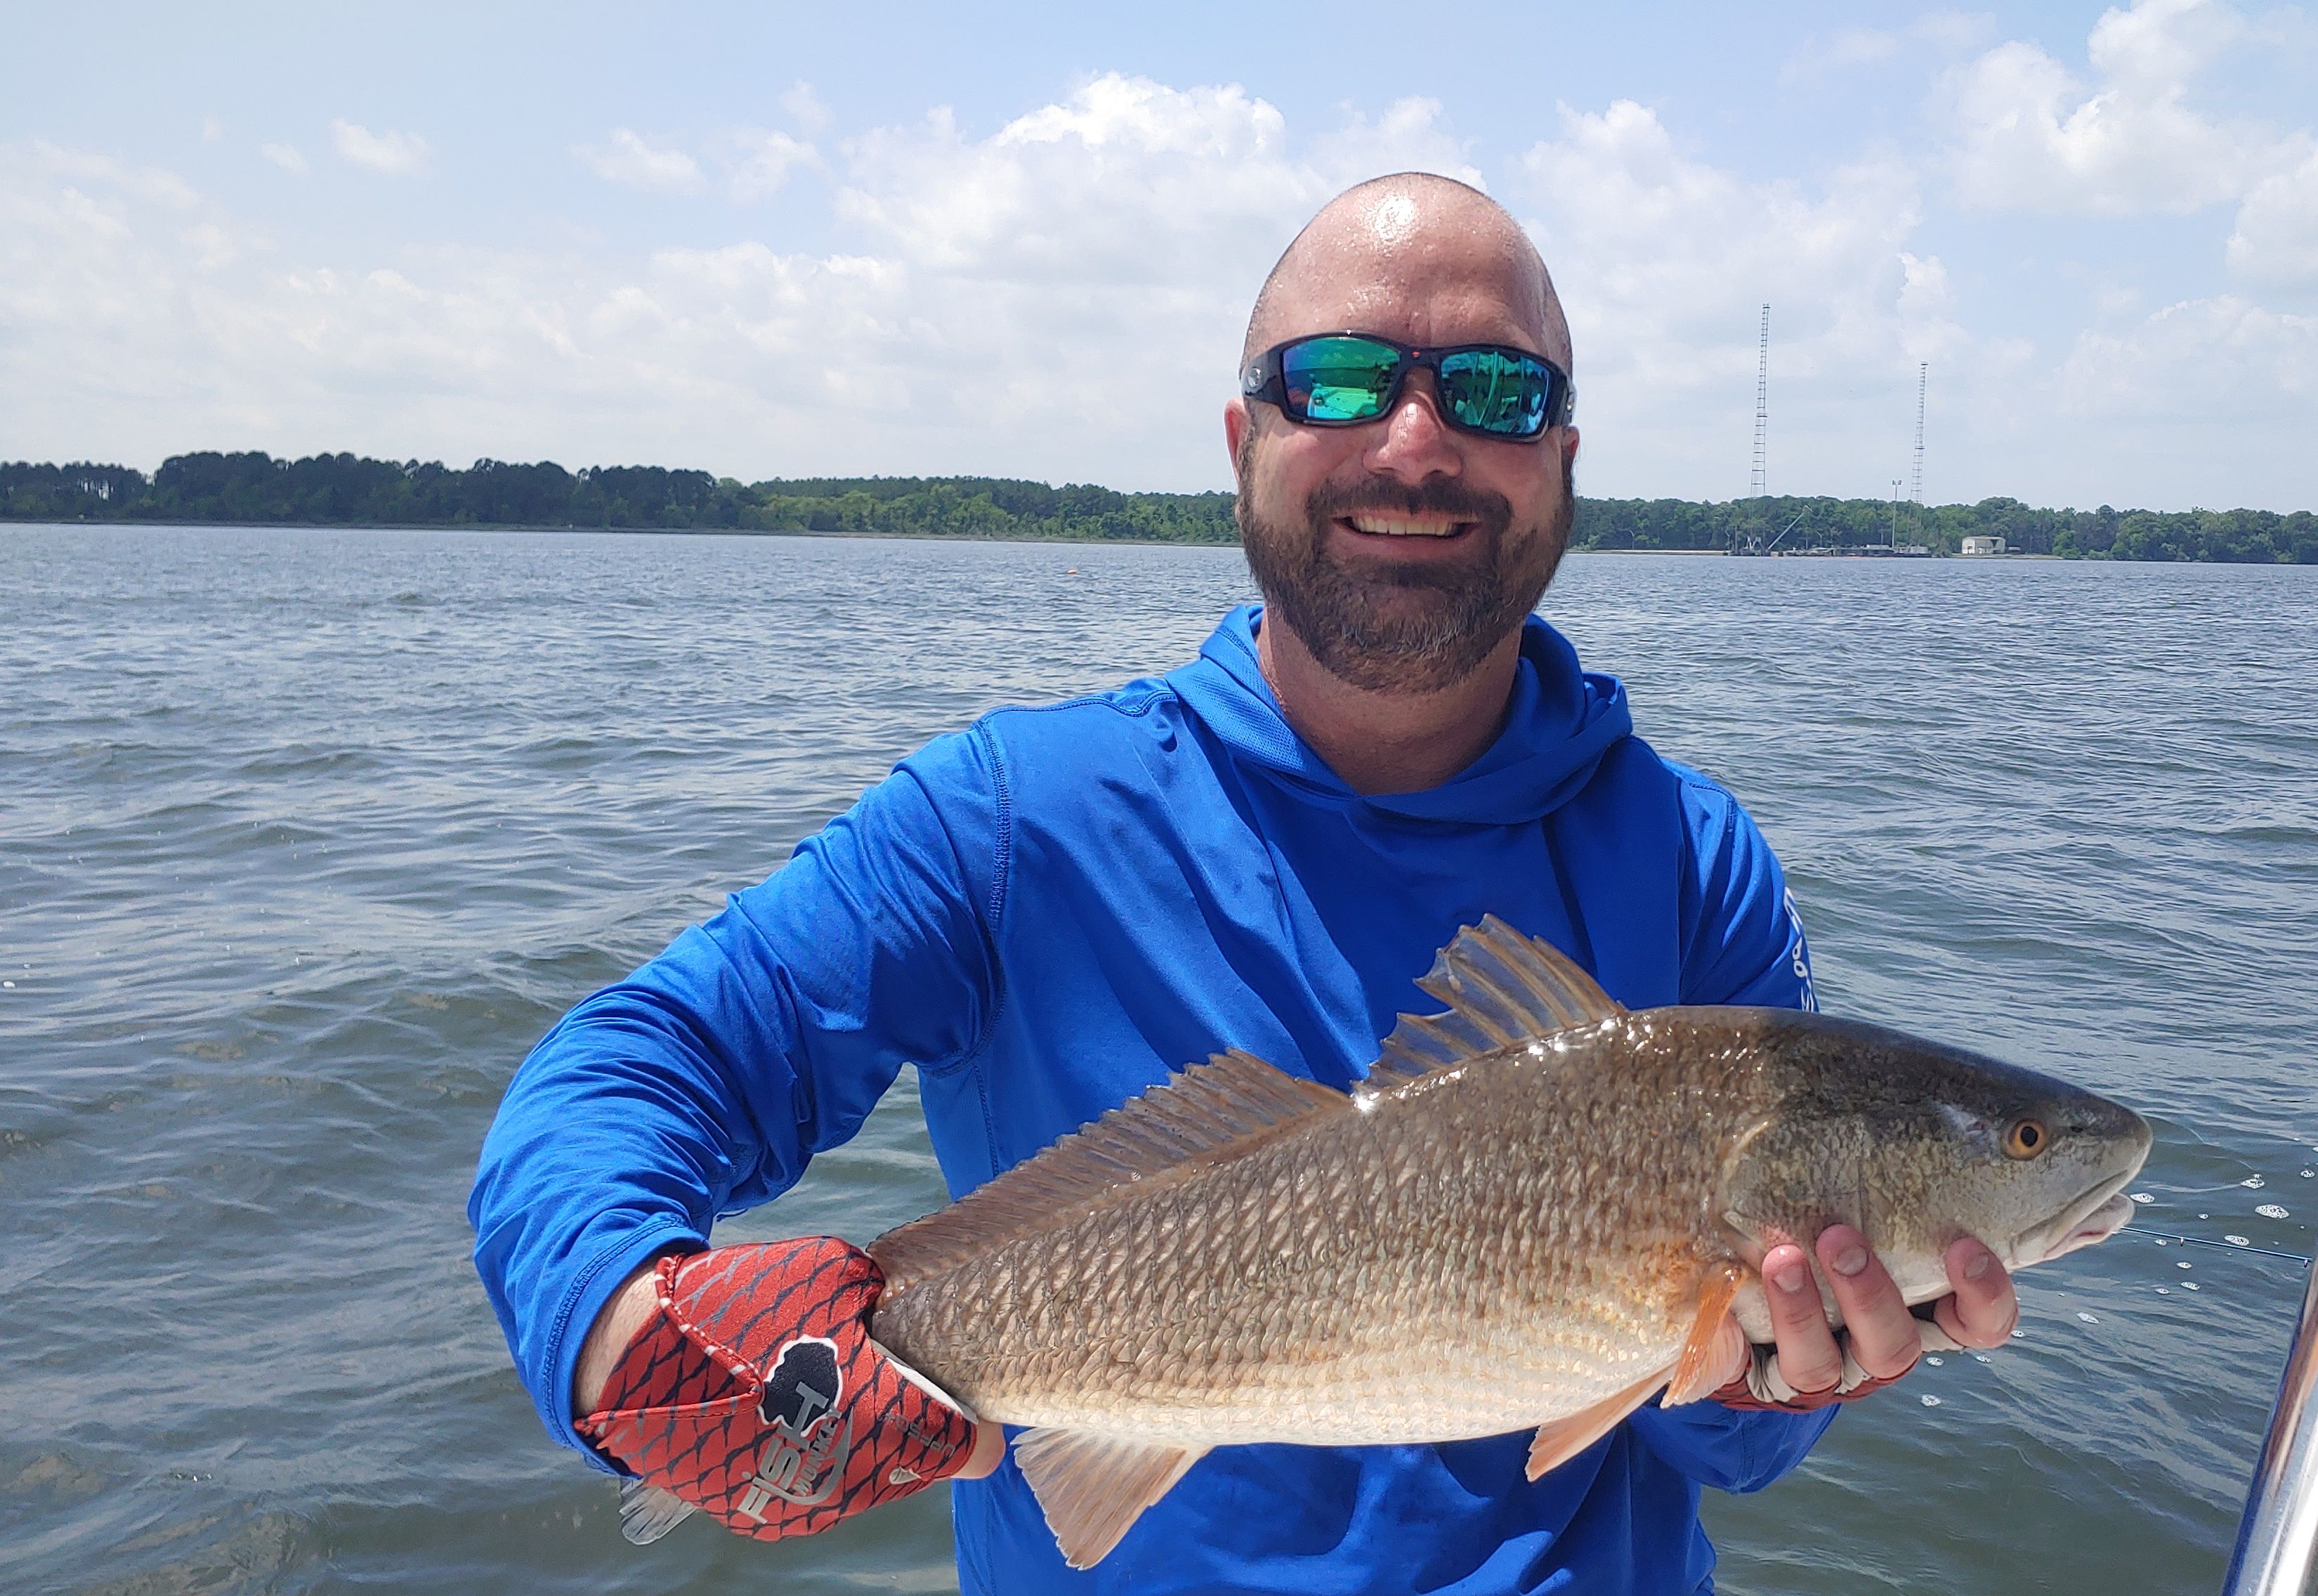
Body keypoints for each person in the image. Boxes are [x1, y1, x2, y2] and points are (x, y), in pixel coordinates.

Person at [469, 171, 2019, 1594]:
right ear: (1243, 442)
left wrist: (1784, 1371)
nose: (1416, 442)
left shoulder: (1690, 859)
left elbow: (1726, 1443)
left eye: (1493, 388)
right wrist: (628, 1326)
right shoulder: (1015, 817)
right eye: (1338, 380)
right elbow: (623, 1070)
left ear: (1559, 458)